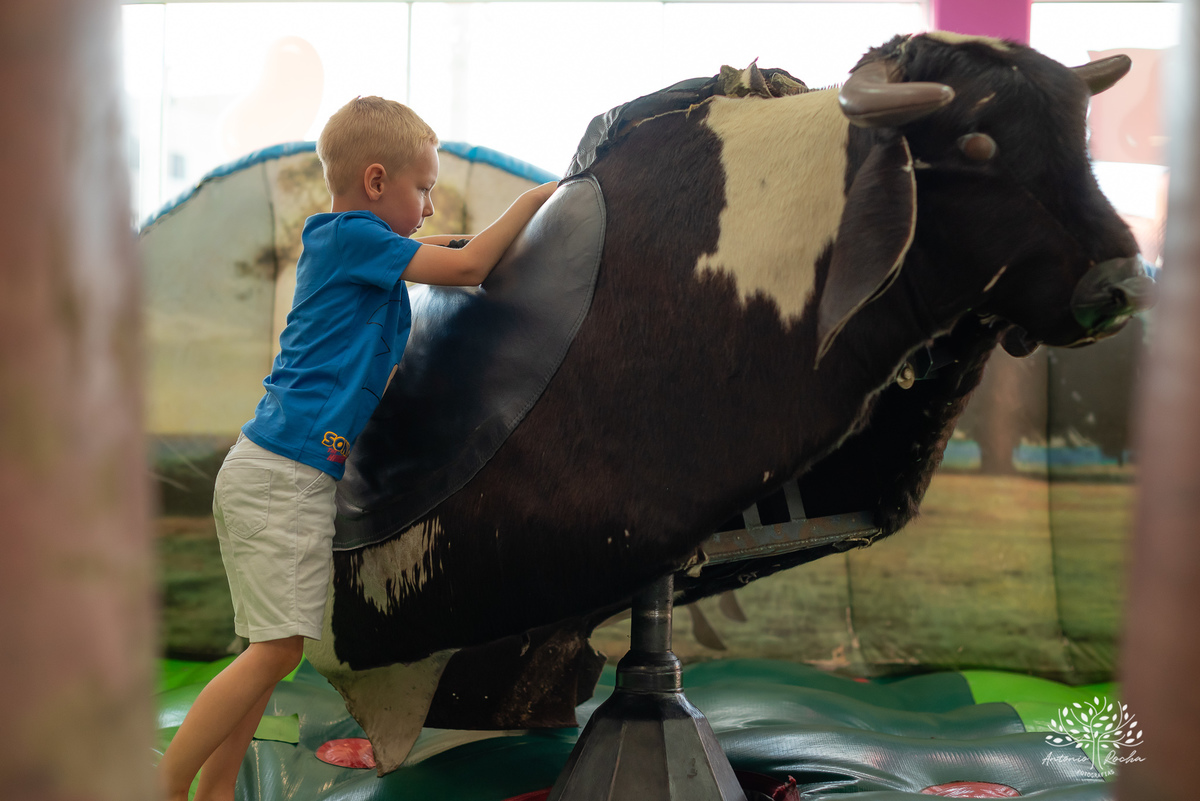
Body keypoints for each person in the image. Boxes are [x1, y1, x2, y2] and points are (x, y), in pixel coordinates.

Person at [158, 96, 557, 801]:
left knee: (270, 656)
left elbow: (456, 252)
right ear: (376, 182)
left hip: (285, 473)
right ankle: (164, 783)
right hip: (282, 472)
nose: (430, 206)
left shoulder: (361, 251)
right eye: (423, 188)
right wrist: (538, 200)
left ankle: (216, 787)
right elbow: (469, 267)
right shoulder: (353, 239)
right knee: (276, 653)